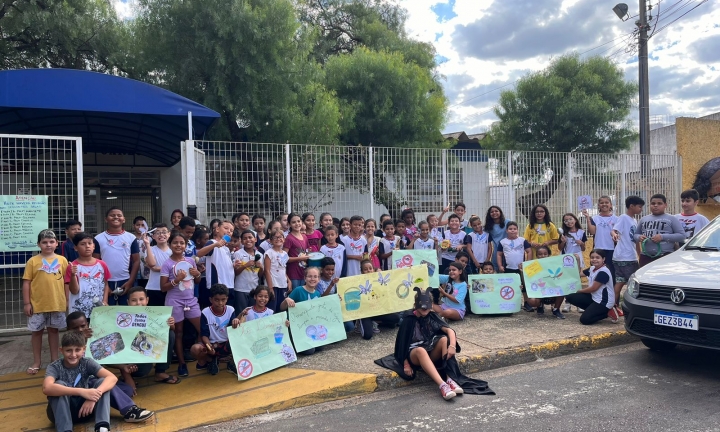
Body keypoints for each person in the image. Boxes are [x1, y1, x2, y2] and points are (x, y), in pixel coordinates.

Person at [65, 312, 156, 423]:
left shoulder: (94, 338)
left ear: (88, 324)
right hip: (84, 384)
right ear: (68, 329)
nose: (80, 330)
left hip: (98, 379)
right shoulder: (68, 346)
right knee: (104, 382)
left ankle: (99, 402)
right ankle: (130, 411)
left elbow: (103, 360)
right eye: (75, 328)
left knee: (128, 390)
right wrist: (80, 339)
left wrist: (123, 367)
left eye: (83, 326)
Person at [393, 287, 463, 400]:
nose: (424, 308)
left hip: (430, 350)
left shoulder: (433, 316)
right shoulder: (409, 319)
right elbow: (401, 345)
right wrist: (406, 364)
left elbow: (450, 331)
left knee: (445, 339)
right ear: (416, 304)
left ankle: (450, 379)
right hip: (415, 353)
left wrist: (452, 346)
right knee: (421, 350)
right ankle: (442, 385)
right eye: (421, 304)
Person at [43, 331, 116, 432]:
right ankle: (65, 430)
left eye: (77, 350)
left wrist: (93, 397)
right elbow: (47, 388)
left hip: (84, 411)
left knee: (102, 382)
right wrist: (81, 391)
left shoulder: (87, 362)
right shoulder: (55, 366)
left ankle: (102, 427)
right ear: (61, 350)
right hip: (59, 413)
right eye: (68, 350)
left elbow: (112, 378)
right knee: (58, 385)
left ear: (84, 349)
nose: (73, 355)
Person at [23, 229, 68, 375]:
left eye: (51, 242)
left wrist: (66, 300)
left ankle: (55, 361)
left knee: (54, 331)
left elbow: (66, 282)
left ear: (56, 243)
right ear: (38, 244)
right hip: (38, 305)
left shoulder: (62, 260)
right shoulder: (33, 261)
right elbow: (27, 283)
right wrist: (27, 303)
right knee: (36, 333)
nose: (48, 245)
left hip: (56, 303)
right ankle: (37, 362)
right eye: (44, 242)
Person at [161, 232, 202, 377]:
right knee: (178, 333)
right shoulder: (167, 264)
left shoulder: (191, 260)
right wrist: (177, 280)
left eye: (182, 243)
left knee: (202, 329)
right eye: (175, 243)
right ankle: (182, 363)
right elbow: (163, 287)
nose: (178, 245)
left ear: (186, 245)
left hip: (190, 300)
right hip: (174, 301)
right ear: (170, 244)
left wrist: (197, 274)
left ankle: (204, 359)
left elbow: (196, 281)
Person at [93, 207, 140, 306]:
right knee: (107, 313)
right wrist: (105, 284)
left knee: (127, 313)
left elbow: (136, 261)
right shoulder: (98, 238)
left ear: (124, 219)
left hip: (125, 280)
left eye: (119, 215)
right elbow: (95, 262)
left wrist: (130, 281)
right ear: (106, 219)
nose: (116, 217)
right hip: (106, 281)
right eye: (112, 215)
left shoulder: (131, 238)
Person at [191, 284, 241, 376]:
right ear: (211, 299)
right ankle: (210, 360)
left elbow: (233, 331)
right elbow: (204, 334)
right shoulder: (205, 312)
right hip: (212, 345)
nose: (220, 303)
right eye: (217, 300)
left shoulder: (231, 310)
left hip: (227, 343)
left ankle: (231, 362)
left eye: (223, 300)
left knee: (241, 339)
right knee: (195, 349)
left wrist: (236, 320)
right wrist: (208, 346)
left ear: (227, 299)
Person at [611, 195, 645, 316]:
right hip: (625, 256)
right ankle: (628, 307)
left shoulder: (634, 220)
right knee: (633, 284)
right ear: (631, 206)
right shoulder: (624, 218)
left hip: (627, 256)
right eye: (639, 206)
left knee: (620, 283)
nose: (641, 209)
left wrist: (639, 255)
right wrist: (614, 234)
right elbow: (614, 230)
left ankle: (613, 306)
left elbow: (635, 241)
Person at [565, 250, 619, 324]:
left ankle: (608, 312)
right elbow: (578, 274)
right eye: (592, 257)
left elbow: (593, 289)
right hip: (594, 297)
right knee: (570, 296)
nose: (594, 259)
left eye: (597, 257)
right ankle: (593, 310)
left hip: (604, 302)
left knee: (585, 320)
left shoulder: (603, 272)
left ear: (603, 259)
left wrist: (579, 290)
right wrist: (577, 260)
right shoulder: (592, 268)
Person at [65, 232, 110, 319]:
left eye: (90, 243)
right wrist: (73, 275)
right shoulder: (72, 266)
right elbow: (74, 291)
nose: (87, 246)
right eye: (83, 244)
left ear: (94, 246)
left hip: (98, 309)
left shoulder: (102, 264)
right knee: (80, 332)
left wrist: (105, 300)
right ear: (75, 248)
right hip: (79, 310)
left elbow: (106, 284)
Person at [280, 267, 324, 355]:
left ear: (319, 279)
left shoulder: (317, 294)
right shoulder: (298, 290)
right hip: (296, 327)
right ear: (305, 278)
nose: (312, 279)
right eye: (310, 276)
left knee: (320, 347)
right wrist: (286, 300)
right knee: (310, 351)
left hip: (309, 327)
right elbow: (282, 308)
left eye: (315, 277)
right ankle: (291, 342)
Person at [634, 193, 685, 267]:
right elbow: (635, 235)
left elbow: (682, 236)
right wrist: (639, 237)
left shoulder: (671, 219)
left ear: (665, 205)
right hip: (645, 257)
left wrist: (662, 237)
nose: (655, 205)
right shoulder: (643, 219)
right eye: (653, 203)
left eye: (659, 203)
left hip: (665, 257)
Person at [196, 220, 234, 310]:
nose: (229, 231)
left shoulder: (227, 249)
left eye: (231, 230)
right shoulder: (212, 242)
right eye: (226, 228)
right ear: (217, 229)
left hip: (229, 285)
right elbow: (200, 254)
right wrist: (215, 245)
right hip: (217, 285)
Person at [496, 222, 533, 311]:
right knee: (509, 286)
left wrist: (527, 264)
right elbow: (499, 255)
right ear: (506, 230)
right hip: (508, 268)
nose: (513, 231)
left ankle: (526, 303)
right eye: (510, 229)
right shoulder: (503, 242)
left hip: (521, 269)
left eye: (514, 229)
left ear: (517, 230)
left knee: (524, 286)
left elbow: (529, 251)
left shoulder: (522, 240)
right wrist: (500, 266)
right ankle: (511, 303)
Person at [582, 196, 618, 281]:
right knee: (596, 272)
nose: (604, 204)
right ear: (598, 205)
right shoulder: (594, 218)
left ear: (610, 205)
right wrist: (587, 218)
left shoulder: (616, 219)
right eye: (602, 203)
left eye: (606, 202)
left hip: (612, 249)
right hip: (598, 249)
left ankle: (611, 293)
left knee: (611, 272)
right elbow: (592, 232)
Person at [525, 246, 565, 319]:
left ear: (548, 254)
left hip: (552, 291)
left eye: (545, 254)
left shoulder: (554, 264)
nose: (542, 256)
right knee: (533, 301)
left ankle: (556, 309)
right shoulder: (532, 266)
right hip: (540, 291)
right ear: (536, 255)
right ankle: (539, 305)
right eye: (540, 254)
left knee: (563, 288)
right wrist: (522, 269)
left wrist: (576, 259)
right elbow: (528, 280)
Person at [232, 230, 264, 312]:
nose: (248, 240)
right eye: (245, 238)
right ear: (241, 241)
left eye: (250, 237)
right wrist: (245, 265)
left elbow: (260, 275)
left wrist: (261, 267)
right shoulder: (238, 254)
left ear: (255, 239)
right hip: (240, 289)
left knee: (252, 312)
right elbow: (235, 273)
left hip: (254, 289)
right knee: (241, 312)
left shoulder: (260, 255)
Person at [142, 224, 172, 307]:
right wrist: (147, 244)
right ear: (153, 236)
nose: (161, 235)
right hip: (154, 287)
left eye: (164, 232)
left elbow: (175, 267)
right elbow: (152, 263)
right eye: (158, 233)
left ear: (169, 234)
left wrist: (157, 269)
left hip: (170, 287)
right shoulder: (150, 249)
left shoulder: (173, 250)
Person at [264, 230, 291, 312]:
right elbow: (267, 270)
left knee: (281, 308)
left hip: (282, 284)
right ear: (271, 240)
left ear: (284, 239)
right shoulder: (269, 253)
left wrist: (289, 281)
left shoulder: (285, 254)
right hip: (273, 285)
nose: (278, 239)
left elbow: (283, 268)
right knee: (272, 308)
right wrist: (270, 287)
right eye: (275, 237)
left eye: (280, 237)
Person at [284, 213, 310, 288]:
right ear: (289, 224)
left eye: (298, 221)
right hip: (293, 273)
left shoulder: (304, 237)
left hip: (304, 272)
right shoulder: (289, 238)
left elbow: (307, 251)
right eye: (293, 222)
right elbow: (284, 257)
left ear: (302, 222)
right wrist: (300, 258)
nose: (297, 224)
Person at [485, 206, 510, 271]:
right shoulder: (488, 226)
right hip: (496, 250)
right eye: (492, 212)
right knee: (497, 268)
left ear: (500, 212)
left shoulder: (507, 222)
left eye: (496, 211)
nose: (494, 213)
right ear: (489, 214)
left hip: (508, 248)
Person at [132, 216, 150, 288]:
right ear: (133, 226)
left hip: (147, 269)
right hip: (134, 269)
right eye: (138, 225)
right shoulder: (131, 239)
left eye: (142, 225)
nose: (140, 227)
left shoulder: (150, 239)